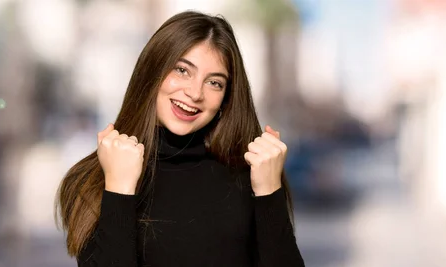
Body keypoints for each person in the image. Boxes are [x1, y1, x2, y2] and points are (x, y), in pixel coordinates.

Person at [56, 11, 304, 267]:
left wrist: (269, 192)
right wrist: (119, 188)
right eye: (182, 70)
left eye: (214, 83)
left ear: (225, 99)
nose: (195, 93)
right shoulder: (90, 181)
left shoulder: (249, 176)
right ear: (152, 70)